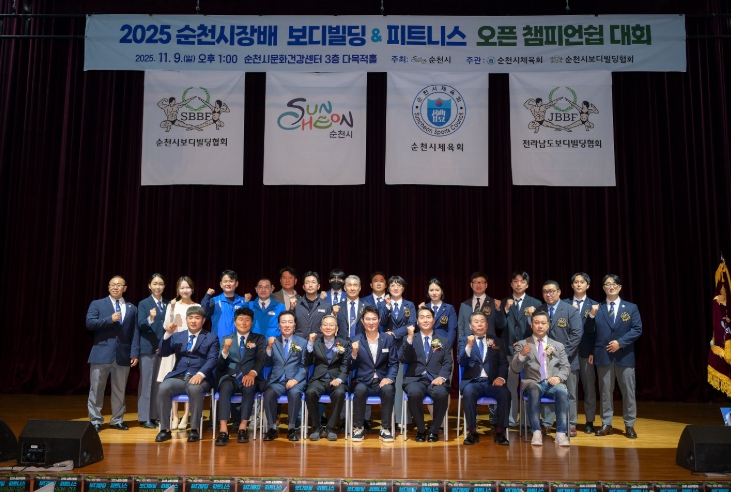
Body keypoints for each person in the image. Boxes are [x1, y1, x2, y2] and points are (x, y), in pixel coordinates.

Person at [155, 306, 219, 443]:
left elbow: (212, 359)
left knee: (194, 389)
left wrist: (201, 374)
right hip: (179, 376)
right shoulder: (177, 336)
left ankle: (194, 429)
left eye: (197, 318)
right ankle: (165, 429)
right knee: (163, 387)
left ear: (203, 320)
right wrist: (167, 334)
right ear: (186, 319)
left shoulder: (211, 337)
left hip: (200, 377)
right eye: (190, 318)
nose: (193, 321)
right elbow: (163, 352)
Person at [86, 275, 140, 432]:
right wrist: (109, 319)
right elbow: (89, 323)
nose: (115, 287)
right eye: (112, 285)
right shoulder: (97, 304)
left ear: (125, 288)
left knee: (120, 390)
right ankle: (95, 420)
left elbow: (135, 332)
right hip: (101, 354)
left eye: (119, 285)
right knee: (97, 389)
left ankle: (117, 420)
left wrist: (134, 353)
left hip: (123, 355)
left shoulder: (132, 308)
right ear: (108, 287)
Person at [592, 274, 642, 439]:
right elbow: (590, 332)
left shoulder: (631, 307)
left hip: (624, 356)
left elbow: (637, 329)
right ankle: (606, 424)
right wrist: (591, 316)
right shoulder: (597, 308)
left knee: (628, 392)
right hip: (603, 356)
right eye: (607, 284)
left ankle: (629, 425)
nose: (611, 286)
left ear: (620, 287)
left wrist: (620, 343)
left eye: (614, 284)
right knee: (605, 392)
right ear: (603, 288)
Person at [511, 310, 570, 447]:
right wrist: (521, 355)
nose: (540, 326)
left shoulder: (557, 345)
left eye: (543, 323)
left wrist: (559, 378)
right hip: (532, 383)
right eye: (536, 323)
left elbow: (566, 367)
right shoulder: (522, 344)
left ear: (548, 325)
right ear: (531, 325)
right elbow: (515, 368)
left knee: (562, 392)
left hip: (552, 383)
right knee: (534, 390)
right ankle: (536, 431)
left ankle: (561, 433)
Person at [495, 270, 543, 428]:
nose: (518, 284)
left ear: (527, 285)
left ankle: (527, 420)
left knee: (528, 385)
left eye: (522, 281)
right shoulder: (504, 302)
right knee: (510, 386)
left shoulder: (535, 303)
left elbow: (539, 329)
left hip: (529, 351)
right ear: (511, 283)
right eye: (515, 281)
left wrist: (531, 317)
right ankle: (511, 419)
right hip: (509, 351)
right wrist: (505, 310)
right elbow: (499, 326)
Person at [537, 280, 583, 437]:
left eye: (551, 291)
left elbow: (576, 334)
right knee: (548, 390)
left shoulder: (571, 310)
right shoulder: (540, 310)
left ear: (559, 292)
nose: (548, 294)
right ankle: (547, 423)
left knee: (570, 393)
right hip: (545, 361)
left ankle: (570, 423)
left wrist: (561, 355)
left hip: (568, 359)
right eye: (545, 291)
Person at [214, 307, 266, 446]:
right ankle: (223, 429)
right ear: (235, 321)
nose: (244, 322)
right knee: (225, 386)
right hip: (231, 377)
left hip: (250, 376)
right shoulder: (226, 339)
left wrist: (252, 373)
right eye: (240, 319)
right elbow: (220, 365)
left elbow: (260, 359)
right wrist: (225, 350)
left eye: (247, 320)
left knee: (249, 387)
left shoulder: (259, 338)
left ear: (252, 322)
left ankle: (243, 427)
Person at [400, 306, 452, 442]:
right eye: (422, 317)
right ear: (417, 321)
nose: (425, 320)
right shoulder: (410, 339)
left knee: (442, 394)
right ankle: (421, 429)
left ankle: (434, 430)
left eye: (428, 317)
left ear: (434, 321)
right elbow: (403, 359)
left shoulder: (443, 340)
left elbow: (448, 363)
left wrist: (441, 377)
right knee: (414, 393)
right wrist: (409, 339)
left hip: (436, 379)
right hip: (415, 379)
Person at [458, 311, 510, 446]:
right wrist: (469, 346)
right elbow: (461, 362)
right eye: (476, 322)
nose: (479, 324)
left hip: (492, 382)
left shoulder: (496, 341)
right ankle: (472, 432)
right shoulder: (464, 340)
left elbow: (503, 363)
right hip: (473, 382)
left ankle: (500, 431)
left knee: (505, 393)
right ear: (470, 326)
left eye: (482, 321)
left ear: (487, 325)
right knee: (468, 393)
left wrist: (501, 377)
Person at [157, 276, 200, 430]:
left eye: (187, 287)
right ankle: (175, 416)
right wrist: (172, 310)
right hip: (174, 345)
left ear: (192, 289)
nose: (185, 290)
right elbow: (166, 325)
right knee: (172, 380)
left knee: (188, 379)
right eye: (182, 288)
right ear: (177, 290)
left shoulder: (197, 306)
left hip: (190, 347)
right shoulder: (172, 304)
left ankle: (186, 415)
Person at [349, 305, 398, 442]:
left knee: (388, 390)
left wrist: (389, 378)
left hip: (382, 380)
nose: (371, 322)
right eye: (367, 319)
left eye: (374, 319)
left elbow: (394, 363)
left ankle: (385, 428)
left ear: (379, 320)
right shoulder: (355, 340)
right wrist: (353, 353)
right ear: (362, 321)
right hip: (363, 381)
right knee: (359, 390)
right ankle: (359, 427)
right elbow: (350, 366)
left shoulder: (387, 339)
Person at [261, 311, 308, 441]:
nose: (287, 325)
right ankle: (272, 428)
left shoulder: (302, 342)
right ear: (279, 325)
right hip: (277, 381)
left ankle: (291, 428)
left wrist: (295, 380)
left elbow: (304, 366)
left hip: (295, 381)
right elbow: (267, 363)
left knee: (295, 393)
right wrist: (269, 348)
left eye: (290, 322)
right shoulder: (273, 341)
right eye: (283, 322)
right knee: (269, 393)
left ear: (294, 325)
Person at [562, 272, 599, 434]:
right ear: (571, 285)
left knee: (589, 388)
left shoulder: (595, 305)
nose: (578, 284)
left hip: (586, 353)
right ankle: (571, 422)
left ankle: (589, 421)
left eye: (582, 282)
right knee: (571, 389)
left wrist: (593, 351)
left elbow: (598, 332)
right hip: (569, 353)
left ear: (587, 285)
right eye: (576, 282)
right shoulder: (564, 304)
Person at [305, 315, 351, 441]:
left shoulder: (344, 343)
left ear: (337, 328)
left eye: (331, 325)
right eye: (325, 325)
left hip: (336, 379)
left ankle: (330, 428)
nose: (328, 327)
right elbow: (308, 362)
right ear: (321, 328)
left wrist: (340, 379)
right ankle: (316, 428)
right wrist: (310, 343)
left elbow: (345, 366)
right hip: (318, 380)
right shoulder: (315, 343)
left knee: (340, 393)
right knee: (310, 392)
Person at [135, 273, 169, 429]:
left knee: (158, 383)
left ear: (164, 286)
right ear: (149, 286)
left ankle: (154, 416)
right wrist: (150, 318)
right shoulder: (143, 303)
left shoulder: (168, 304)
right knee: (146, 383)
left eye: (161, 284)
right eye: (155, 284)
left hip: (163, 350)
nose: (158, 287)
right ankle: (144, 417)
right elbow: (141, 325)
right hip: (148, 349)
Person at [385, 275, 416, 427]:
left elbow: (412, 324)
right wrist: (387, 307)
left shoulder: (409, 305)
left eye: (399, 285)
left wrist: (394, 333)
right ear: (388, 288)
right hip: (387, 348)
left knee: (402, 383)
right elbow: (380, 323)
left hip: (405, 346)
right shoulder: (383, 304)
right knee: (391, 384)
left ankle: (402, 419)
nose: (395, 288)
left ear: (403, 288)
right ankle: (391, 419)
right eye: (392, 285)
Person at [200, 269, 249, 343]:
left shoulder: (243, 301)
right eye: (225, 281)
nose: (228, 284)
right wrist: (207, 296)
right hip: (219, 343)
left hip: (239, 343)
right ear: (221, 284)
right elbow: (203, 315)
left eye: (231, 281)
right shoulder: (215, 301)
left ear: (236, 284)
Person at [458, 272, 500, 340]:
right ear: (471, 285)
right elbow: (461, 328)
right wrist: (461, 345)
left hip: (488, 342)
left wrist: (499, 310)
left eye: (481, 282)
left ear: (486, 285)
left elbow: (500, 325)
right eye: (475, 282)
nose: (478, 285)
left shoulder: (493, 303)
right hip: (469, 343)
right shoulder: (464, 305)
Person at [294, 271, 333, 339]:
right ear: (303, 287)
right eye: (307, 282)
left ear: (318, 286)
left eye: (313, 282)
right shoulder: (296, 304)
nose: (310, 285)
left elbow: (329, 327)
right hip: (299, 342)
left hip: (319, 342)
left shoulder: (326, 305)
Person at [421, 278, 458, 349]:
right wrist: (420, 312)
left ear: (442, 291)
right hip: (426, 345)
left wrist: (446, 347)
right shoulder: (424, 308)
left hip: (444, 345)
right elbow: (418, 328)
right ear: (428, 292)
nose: (434, 293)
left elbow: (452, 330)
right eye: (431, 290)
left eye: (437, 290)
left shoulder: (449, 308)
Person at [336, 275, 367, 339]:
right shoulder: (337, 307)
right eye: (349, 285)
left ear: (359, 288)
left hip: (361, 342)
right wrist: (333, 314)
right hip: (342, 342)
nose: (352, 288)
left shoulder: (367, 307)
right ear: (345, 288)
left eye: (355, 285)